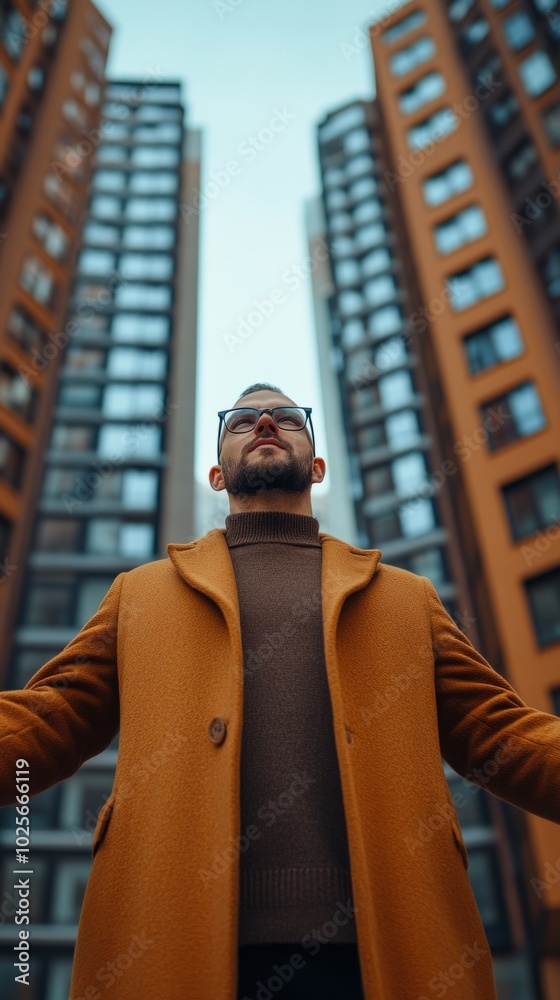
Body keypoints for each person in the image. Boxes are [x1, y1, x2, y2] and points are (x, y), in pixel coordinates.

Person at [1, 381, 559, 1000]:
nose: (265, 420)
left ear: (316, 466)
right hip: (170, 948)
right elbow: (46, 720)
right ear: (217, 474)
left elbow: (505, 734)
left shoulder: (406, 599)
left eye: (287, 417)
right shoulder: (140, 593)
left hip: (383, 958)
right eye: (241, 422)